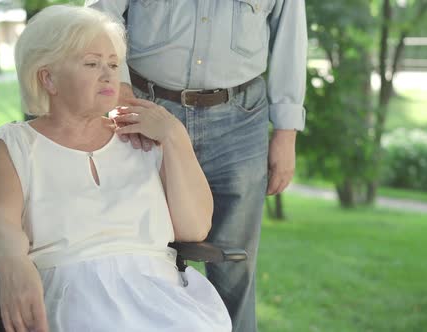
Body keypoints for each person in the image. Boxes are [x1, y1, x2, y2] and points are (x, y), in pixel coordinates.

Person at [0, 5, 232, 332]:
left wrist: (174, 135)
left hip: (160, 292)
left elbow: (194, 229)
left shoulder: (144, 139)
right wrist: (14, 264)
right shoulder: (14, 144)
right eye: (92, 63)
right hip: (72, 294)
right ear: (48, 78)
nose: (109, 74)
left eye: (113, 64)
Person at [86, 1, 308, 331]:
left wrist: (287, 132)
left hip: (241, 121)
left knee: (235, 266)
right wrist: (118, 83)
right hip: (147, 107)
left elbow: (291, 39)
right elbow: (101, 10)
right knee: (141, 255)